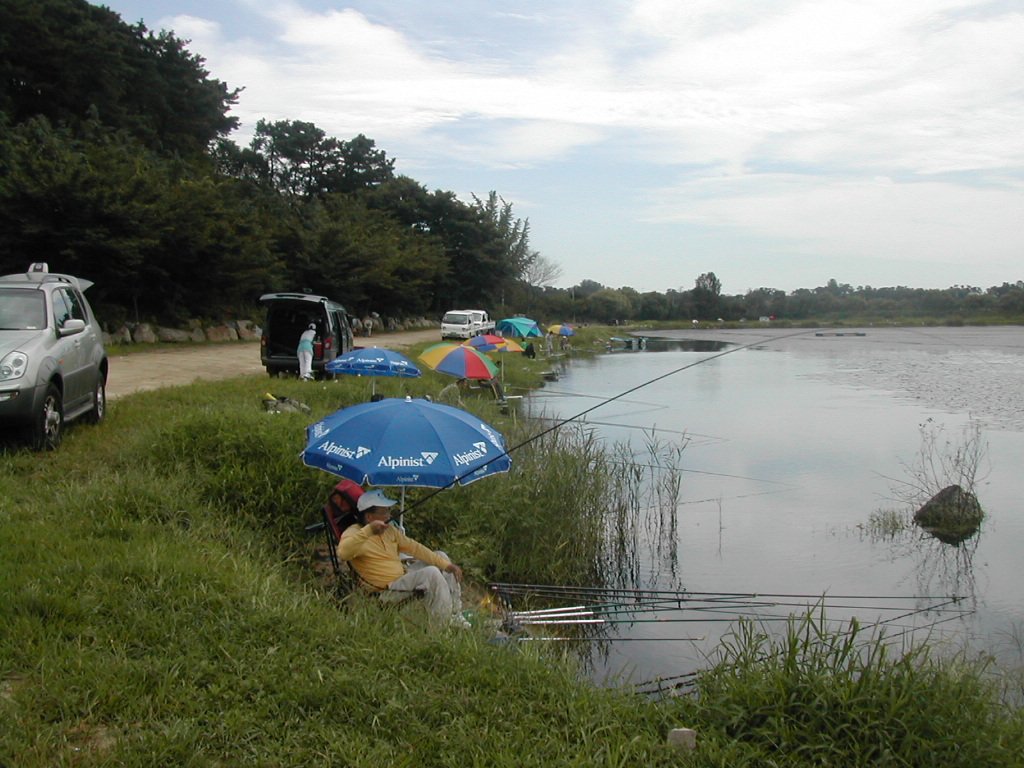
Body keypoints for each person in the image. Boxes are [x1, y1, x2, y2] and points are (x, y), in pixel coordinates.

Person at [337, 489, 469, 628]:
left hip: (403, 577)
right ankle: (441, 627)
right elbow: (343, 553)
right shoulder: (354, 533)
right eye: (385, 512)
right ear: (369, 517)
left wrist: (447, 565)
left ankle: (455, 614)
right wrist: (369, 531)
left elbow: (415, 548)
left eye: (389, 511)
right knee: (431, 573)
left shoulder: (389, 530)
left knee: (441, 557)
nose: (389, 515)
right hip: (387, 590)